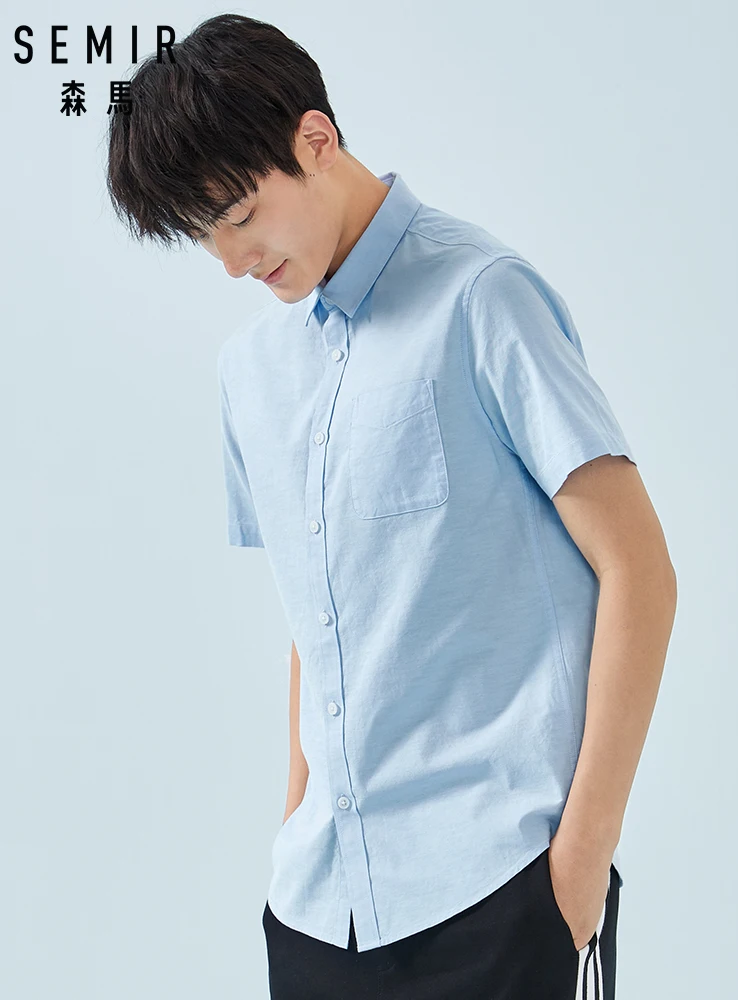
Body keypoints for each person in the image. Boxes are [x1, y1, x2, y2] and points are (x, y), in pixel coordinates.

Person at [105, 13, 678, 999]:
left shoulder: (483, 298)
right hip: (317, 908)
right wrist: (295, 823)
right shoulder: (252, 372)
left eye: (239, 215)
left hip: (500, 887)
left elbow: (639, 569)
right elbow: (317, 615)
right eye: (204, 237)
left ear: (315, 140)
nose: (232, 261)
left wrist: (579, 866)